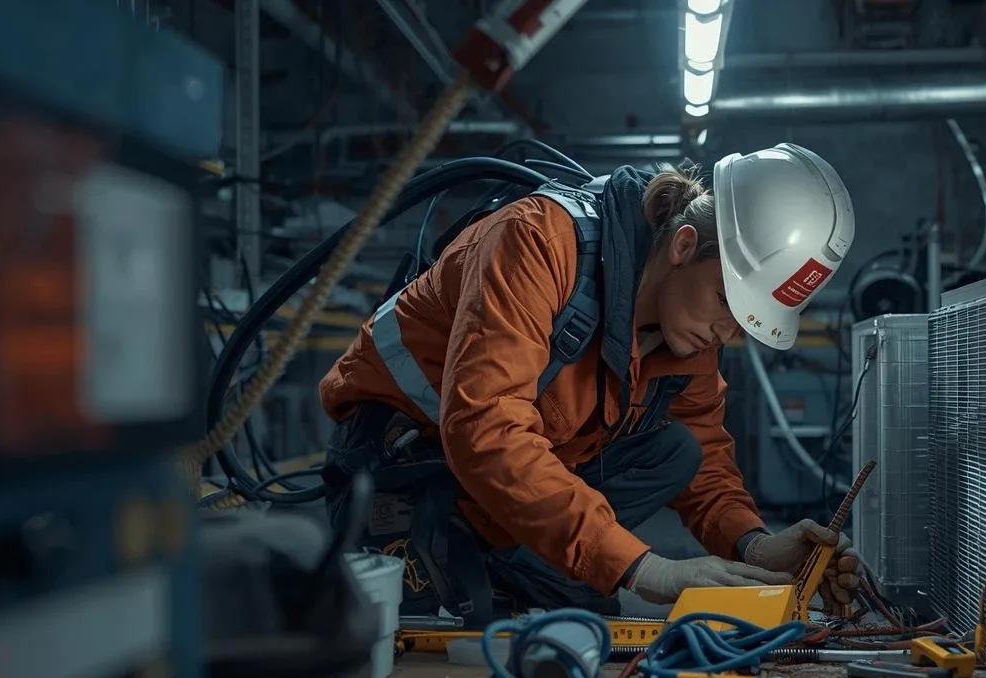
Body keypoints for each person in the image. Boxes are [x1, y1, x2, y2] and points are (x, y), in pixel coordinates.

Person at [318, 143, 861, 622]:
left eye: (743, 319)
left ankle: (520, 560)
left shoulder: (689, 327)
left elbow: (706, 455)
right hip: (401, 470)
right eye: (727, 301)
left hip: (497, 490)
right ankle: (488, 557)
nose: (727, 330)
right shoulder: (535, 241)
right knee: (413, 614)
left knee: (677, 451)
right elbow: (487, 430)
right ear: (682, 245)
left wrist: (755, 545)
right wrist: (645, 568)